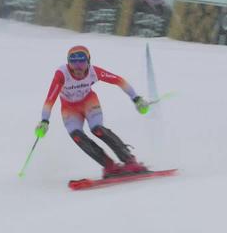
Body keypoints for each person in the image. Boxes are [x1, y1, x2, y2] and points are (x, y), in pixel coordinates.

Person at [34, 45, 152, 178]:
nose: (78, 67)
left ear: (88, 62)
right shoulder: (61, 74)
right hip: (69, 108)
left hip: (89, 103)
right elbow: (50, 98)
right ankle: (109, 166)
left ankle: (129, 160)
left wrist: (136, 99)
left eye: (82, 61)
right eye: (73, 62)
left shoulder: (93, 72)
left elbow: (118, 80)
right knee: (77, 136)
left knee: (97, 129)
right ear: (68, 63)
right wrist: (44, 121)